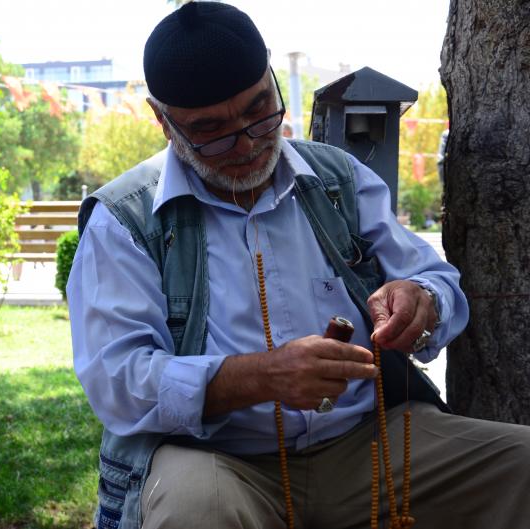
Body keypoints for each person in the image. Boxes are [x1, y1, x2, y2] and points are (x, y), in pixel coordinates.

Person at [67, 3, 530, 528]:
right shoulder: (124, 220)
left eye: (260, 109)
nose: (247, 142)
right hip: (217, 458)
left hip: (367, 441)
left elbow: (436, 281)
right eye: (212, 130)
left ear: (270, 80)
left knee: (522, 465)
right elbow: (117, 381)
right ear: (163, 120)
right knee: (196, 511)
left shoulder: (338, 179)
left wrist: (421, 301)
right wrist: (262, 377)